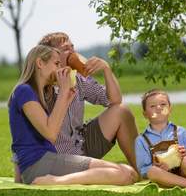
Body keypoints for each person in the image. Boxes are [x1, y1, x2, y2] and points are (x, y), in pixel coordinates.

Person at [9, 45, 138, 185]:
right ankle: (56, 182)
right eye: (56, 64)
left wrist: (66, 97)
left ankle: (57, 180)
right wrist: (63, 93)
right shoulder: (24, 91)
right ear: (40, 63)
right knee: (123, 175)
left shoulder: (37, 93)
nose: (60, 68)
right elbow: (51, 134)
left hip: (48, 160)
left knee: (129, 172)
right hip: (38, 164)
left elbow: (49, 131)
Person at [135, 89, 186, 189]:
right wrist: (155, 165)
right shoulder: (141, 140)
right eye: (152, 106)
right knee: (152, 171)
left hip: (184, 173)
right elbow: (143, 170)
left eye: (163, 104)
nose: (158, 108)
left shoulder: (180, 132)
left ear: (170, 109)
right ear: (145, 114)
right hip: (164, 179)